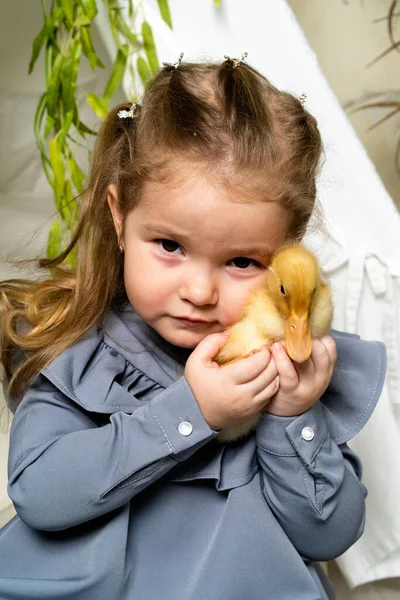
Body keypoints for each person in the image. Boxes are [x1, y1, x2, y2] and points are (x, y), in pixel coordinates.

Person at [0, 55, 386, 600]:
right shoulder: (85, 349)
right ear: (118, 216)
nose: (200, 293)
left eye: (243, 262)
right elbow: (40, 493)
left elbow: (331, 532)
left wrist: (291, 416)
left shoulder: (287, 368)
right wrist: (191, 414)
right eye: (171, 246)